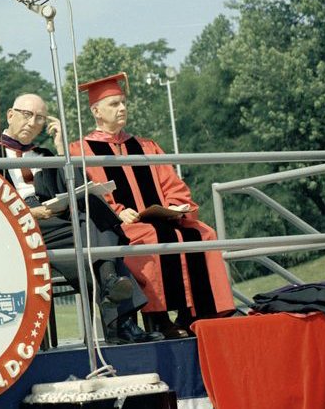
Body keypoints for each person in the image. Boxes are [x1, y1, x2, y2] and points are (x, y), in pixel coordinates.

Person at [68, 73, 236, 338]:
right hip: (125, 226)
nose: (122, 108)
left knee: (202, 233)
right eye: (113, 104)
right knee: (149, 238)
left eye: (123, 102)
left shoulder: (145, 146)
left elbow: (173, 185)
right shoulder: (82, 150)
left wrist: (175, 206)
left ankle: (197, 314)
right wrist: (118, 211)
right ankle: (158, 320)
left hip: (160, 220)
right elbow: (92, 194)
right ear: (96, 111)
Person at [0, 94, 161, 344]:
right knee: (102, 251)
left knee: (92, 204)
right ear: (11, 115)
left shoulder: (45, 154)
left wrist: (62, 148)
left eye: (40, 118)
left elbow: (76, 187)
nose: (32, 122)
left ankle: (110, 283)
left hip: (55, 219)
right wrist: (27, 213)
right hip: (18, 223)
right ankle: (121, 323)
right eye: (27, 115)